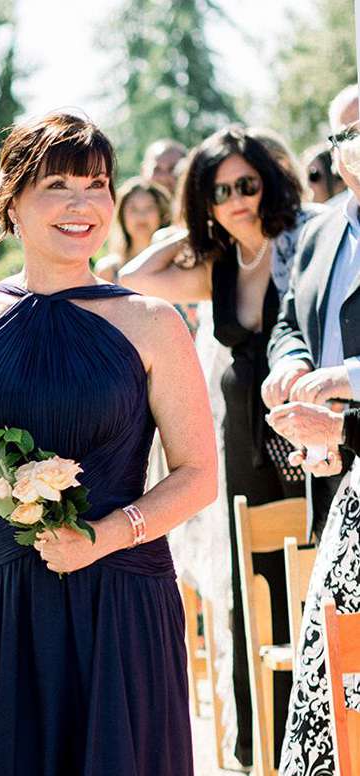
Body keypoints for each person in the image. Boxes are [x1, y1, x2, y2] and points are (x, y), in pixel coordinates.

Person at [0, 111, 215, 774]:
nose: (83, 204)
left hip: (120, 598)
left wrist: (109, 534)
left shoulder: (152, 323)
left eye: (98, 185)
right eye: (59, 185)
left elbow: (198, 474)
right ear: (13, 201)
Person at [120, 125, 318, 769]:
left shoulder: (306, 243)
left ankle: (323, 731)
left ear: (271, 182)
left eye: (247, 185)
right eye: (220, 188)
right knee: (254, 583)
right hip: (247, 444)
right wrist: (196, 221)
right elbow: (136, 273)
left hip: (309, 430)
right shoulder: (219, 264)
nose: (237, 198)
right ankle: (265, 740)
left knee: (313, 576)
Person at [262, 83, 360, 776]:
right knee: (335, 658)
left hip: (349, 440)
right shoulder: (320, 230)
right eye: (348, 132)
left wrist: (345, 383)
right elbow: (291, 320)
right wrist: (292, 365)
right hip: (328, 469)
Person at [94, 176, 171, 282]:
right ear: (122, 216)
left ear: (162, 214)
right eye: (133, 208)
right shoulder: (108, 270)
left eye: (149, 207)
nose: (141, 215)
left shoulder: (174, 267)